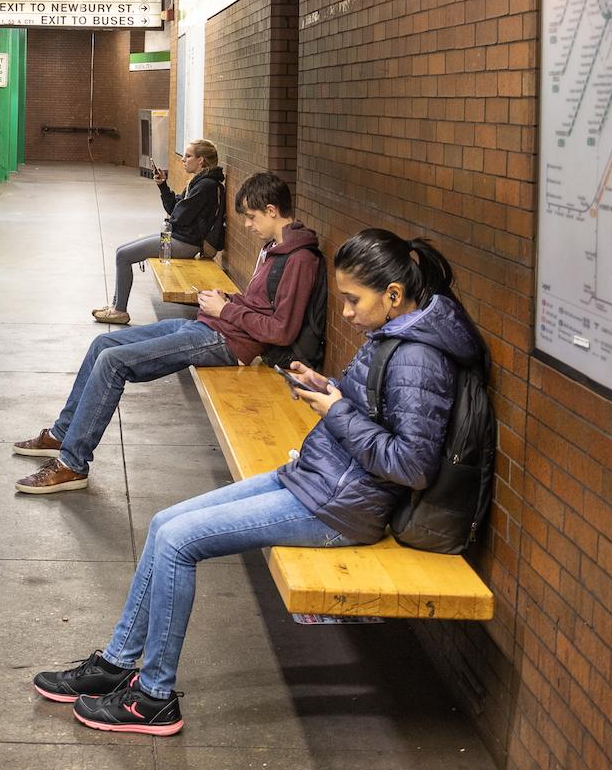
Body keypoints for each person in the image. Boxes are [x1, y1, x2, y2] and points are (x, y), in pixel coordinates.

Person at [30, 229, 484, 735]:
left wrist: (336, 411)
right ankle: (118, 663)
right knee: (164, 524)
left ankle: (154, 697)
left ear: (394, 295)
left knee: (179, 542)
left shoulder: (421, 357)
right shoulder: (399, 336)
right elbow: (380, 415)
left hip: (339, 508)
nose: (348, 313)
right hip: (318, 479)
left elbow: (411, 464)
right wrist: (329, 388)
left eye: (355, 300)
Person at [12, 171, 321, 494]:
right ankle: (64, 432)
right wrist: (226, 301)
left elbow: (281, 331)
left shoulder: (299, 260)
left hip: (227, 343)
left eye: (252, 217)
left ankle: (72, 463)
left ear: (273, 211)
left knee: (113, 362)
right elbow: (260, 306)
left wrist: (227, 310)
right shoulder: (276, 248)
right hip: (212, 326)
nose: (246, 225)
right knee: (103, 342)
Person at [91, 139, 226, 325]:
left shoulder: (207, 186)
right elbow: (174, 208)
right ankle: (115, 305)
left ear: (201, 160)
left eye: (188, 156)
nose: (183, 160)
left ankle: (119, 311)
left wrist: (175, 213)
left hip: (185, 244)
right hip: (177, 237)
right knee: (121, 250)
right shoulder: (198, 182)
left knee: (123, 255)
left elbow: (179, 216)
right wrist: (163, 185)